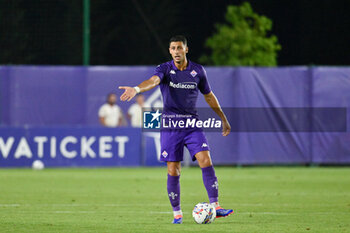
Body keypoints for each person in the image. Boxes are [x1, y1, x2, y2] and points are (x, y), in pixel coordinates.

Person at [119, 35, 233, 224]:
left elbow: (209, 96)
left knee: (205, 159)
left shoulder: (198, 71)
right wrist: (137, 89)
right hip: (171, 125)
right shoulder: (164, 69)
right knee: (173, 170)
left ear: (186, 49)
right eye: (173, 48)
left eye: (179, 48)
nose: (176, 52)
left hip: (192, 124)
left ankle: (216, 206)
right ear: (170, 51)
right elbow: (153, 81)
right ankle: (177, 214)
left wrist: (223, 118)